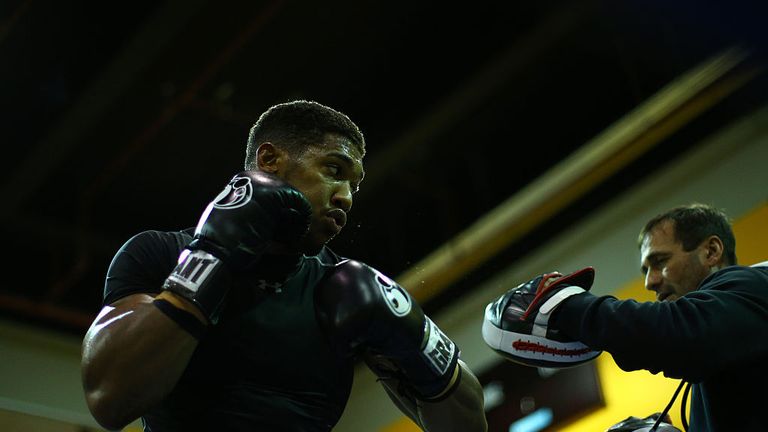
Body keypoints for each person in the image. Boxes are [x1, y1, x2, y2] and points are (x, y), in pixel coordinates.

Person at [81, 100, 487, 432]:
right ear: (270, 159)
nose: (345, 196)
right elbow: (109, 401)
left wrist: (416, 336)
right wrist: (212, 260)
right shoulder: (161, 253)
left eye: (354, 185)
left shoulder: (344, 290)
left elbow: (467, 426)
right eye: (333, 170)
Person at [482, 203, 768, 431]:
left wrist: (564, 305)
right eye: (645, 271)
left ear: (711, 251)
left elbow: (674, 332)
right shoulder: (720, 353)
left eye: (660, 262)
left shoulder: (753, 286)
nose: (650, 282)